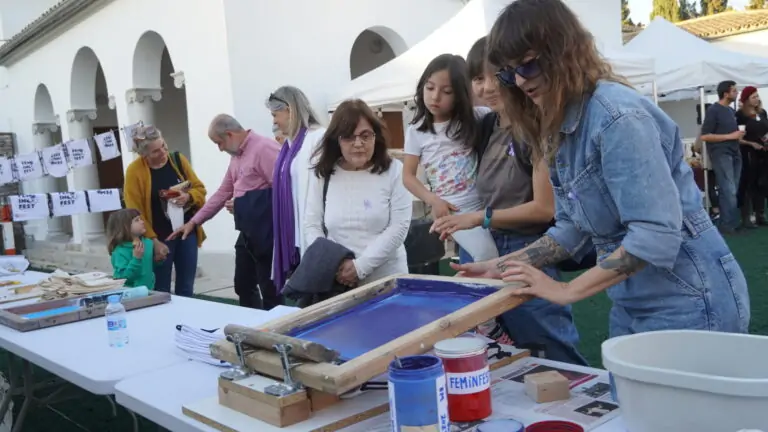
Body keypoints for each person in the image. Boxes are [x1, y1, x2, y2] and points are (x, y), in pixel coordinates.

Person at [454, 0, 750, 338]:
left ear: (563, 50)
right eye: (509, 73)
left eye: (528, 65)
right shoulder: (561, 126)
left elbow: (655, 235)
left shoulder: (617, 118)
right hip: (632, 298)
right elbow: (571, 228)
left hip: (691, 295)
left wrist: (567, 290)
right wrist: (503, 266)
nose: (520, 81)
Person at [432, 37, 586, 365]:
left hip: (527, 246)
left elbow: (544, 209)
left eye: (497, 75)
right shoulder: (486, 125)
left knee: (549, 348)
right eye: (478, 78)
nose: (488, 87)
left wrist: (480, 217)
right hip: (484, 245)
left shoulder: (535, 127)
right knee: (497, 351)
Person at [169, 115, 281, 310]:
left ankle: (279, 326)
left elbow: (284, 191)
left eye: (219, 143)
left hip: (268, 231)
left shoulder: (264, 148)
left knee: (270, 288)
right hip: (247, 230)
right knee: (243, 284)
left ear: (229, 134)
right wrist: (194, 222)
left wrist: (245, 205)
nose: (220, 149)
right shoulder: (237, 155)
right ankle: (252, 324)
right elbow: (224, 192)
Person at [304, 99, 412, 286]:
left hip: (388, 282)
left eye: (365, 135)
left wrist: (360, 267)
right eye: (348, 137)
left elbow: (399, 227)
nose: (358, 143)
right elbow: (312, 225)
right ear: (337, 140)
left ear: (375, 136)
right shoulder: (324, 174)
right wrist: (334, 263)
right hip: (338, 283)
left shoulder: (394, 171)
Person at [402, 54, 498, 263]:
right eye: (430, 88)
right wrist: (433, 201)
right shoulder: (416, 131)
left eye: (446, 91)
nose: (435, 97)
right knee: (486, 255)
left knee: (491, 254)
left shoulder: (478, 116)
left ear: (460, 95)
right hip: (451, 209)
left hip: (486, 203)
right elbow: (408, 177)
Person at [124, 125, 207, 297]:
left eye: (163, 146)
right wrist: (153, 241)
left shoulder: (177, 160)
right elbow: (134, 211)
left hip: (186, 233)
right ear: (144, 155)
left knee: (186, 288)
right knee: (160, 289)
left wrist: (188, 196)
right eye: (156, 151)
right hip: (158, 237)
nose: (163, 152)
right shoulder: (134, 171)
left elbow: (200, 188)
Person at [266, 86, 327, 292]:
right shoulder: (289, 146)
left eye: (275, 114)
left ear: (290, 110)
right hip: (295, 232)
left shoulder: (317, 138)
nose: (274, 121)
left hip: (313, 229)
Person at [701, 80, 746, 234]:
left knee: (732, 189)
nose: (737, 93)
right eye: (734, 90)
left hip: (735, 152)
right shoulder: (714, 110)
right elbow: (705, 136)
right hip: (721, 153)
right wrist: (730, 136)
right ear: (725, 93)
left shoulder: (731, 111)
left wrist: (738, 136)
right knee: (728, 190)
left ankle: (729, 222)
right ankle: (727, 225)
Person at [736, 86, 768, 227]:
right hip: (748, 153)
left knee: (762, 183)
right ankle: (747, 216)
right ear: (746, 99)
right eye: (753, 97)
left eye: (757, 96)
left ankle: (760, 213)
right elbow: (738, 137)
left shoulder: (762, 112)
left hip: (763, 152)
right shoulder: (740, 115)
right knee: (749, 183)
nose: (756, 99)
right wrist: (751, 143)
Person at [107, 209, 157, 289]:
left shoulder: (148, 243)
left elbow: (150, 266)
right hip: (131, 293)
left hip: (149, 290)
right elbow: (122, 278)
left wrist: (159, 258)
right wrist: (136, 259)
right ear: (125, 226)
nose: (142, 222)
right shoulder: (119, 251)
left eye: (141, 219)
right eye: (137, 220)